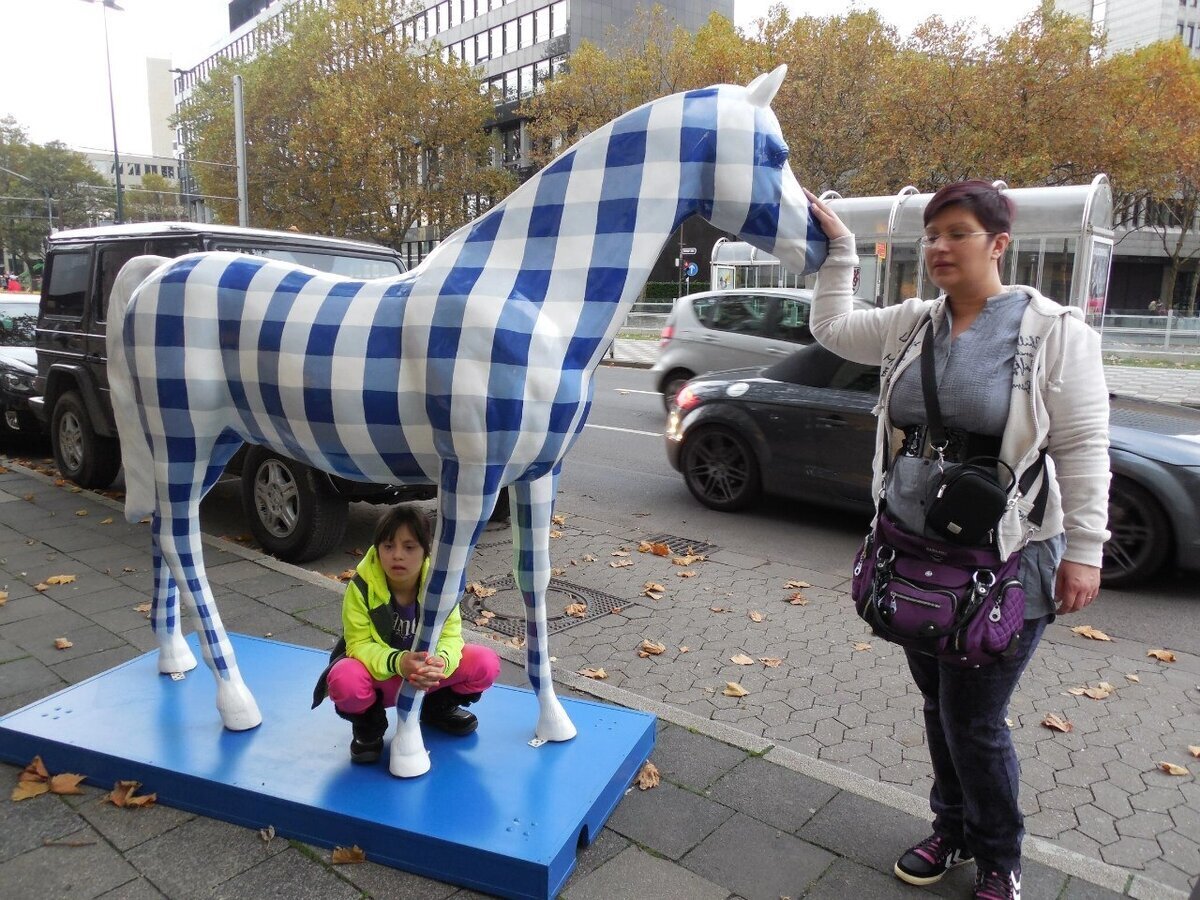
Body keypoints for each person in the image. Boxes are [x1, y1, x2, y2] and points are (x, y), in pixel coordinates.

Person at [805, 181, 1110, 900]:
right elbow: (831, 328)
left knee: (973, 721)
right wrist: (840, 252)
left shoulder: (1051, 330)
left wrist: (1085, 551)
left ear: (998, 243)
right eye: (932, 234)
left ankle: (1000, 855)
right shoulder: (913, 322)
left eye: (959, 233)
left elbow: (1084, 446)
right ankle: (953, 830)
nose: (940, 247)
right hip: (914, 555)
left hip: (1005, 563)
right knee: (938, 706)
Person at [320, 505, 501, 764]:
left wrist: (441, 663)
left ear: (425, 550)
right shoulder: (361, 587)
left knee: (485, 663)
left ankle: (436, 709)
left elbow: (451, 634)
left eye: (409, 547)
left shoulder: (440, 584)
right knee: (342, 678)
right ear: (377, 548)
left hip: (427, 677)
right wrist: (399, 662)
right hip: (383, 678)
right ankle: (368, 729)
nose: (397, 556)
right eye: (388, 546)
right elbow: (358, 644)